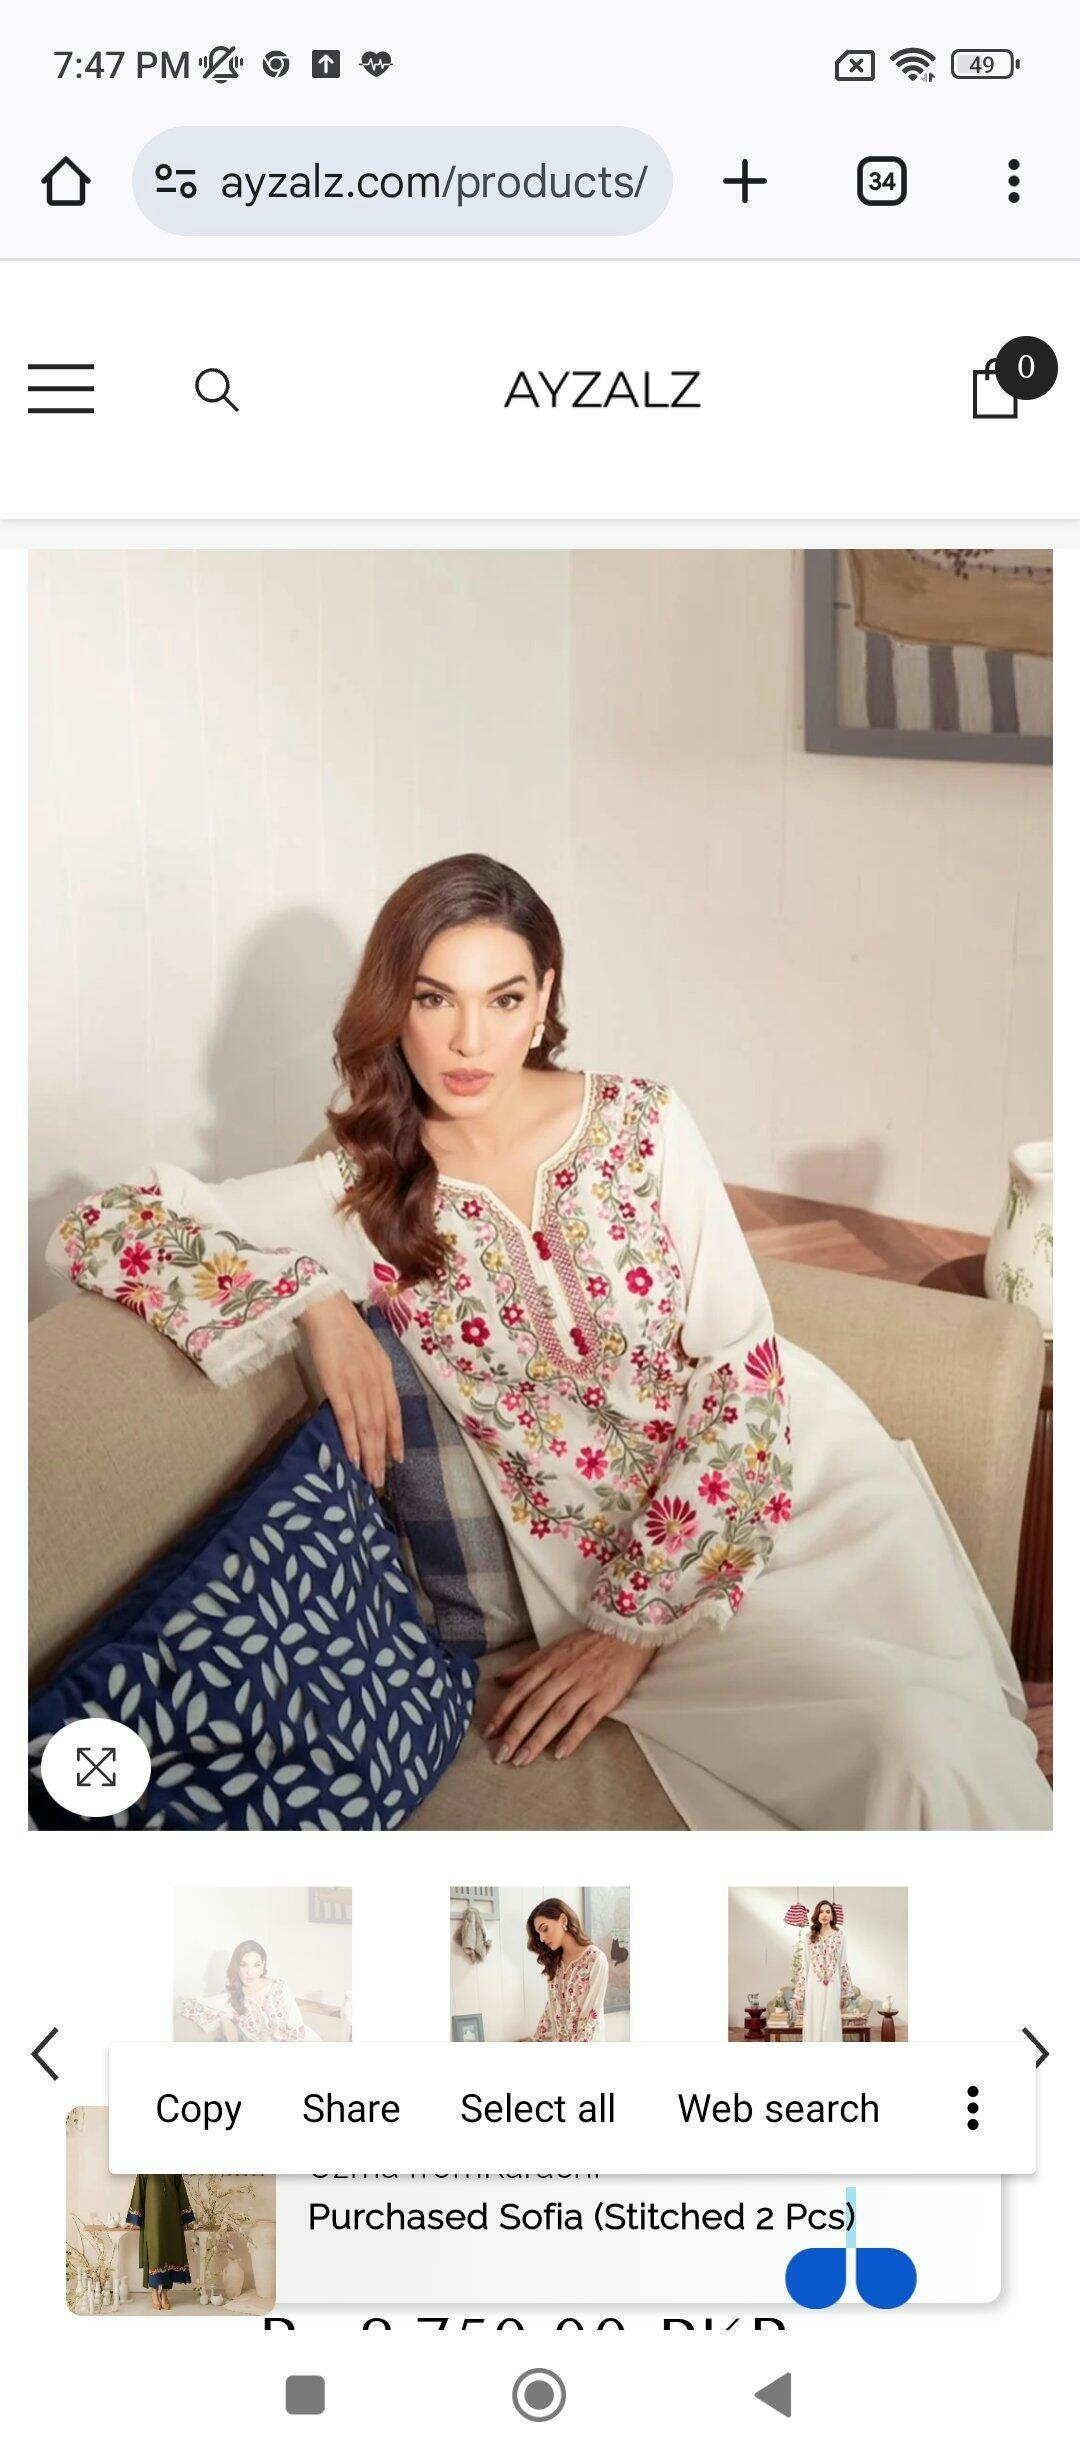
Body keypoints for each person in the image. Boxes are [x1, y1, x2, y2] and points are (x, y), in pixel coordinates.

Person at [48, 852, 1051, 1831]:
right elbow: (102, 1225)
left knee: (949, 1742)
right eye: (434, 999)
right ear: (394, 1005)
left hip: (783, 1483)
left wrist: (632, 1628)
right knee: (909, 1745)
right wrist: (313, 1301)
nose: (468, 1040)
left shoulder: (645, 1125)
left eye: (503, 998)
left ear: (544, 997)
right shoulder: (361, 1191)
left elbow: (742, 1368)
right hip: (592, 1573)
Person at [176, 1937, 315, 2042]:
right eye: (244, 1965)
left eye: (256, 1965)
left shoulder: (280, 1987)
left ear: (263, 1966)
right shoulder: (231, 1997)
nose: (250, 1972)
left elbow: (298, 2031)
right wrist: (223, 2020)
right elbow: (186, 2005)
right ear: (237, 1966)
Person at [526, 1899, 609, 2041]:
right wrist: (536, 2040)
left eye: (544, 1929)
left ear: (563, 1920)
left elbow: (591, 2017)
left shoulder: (595, 1959)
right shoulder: (555, 1962)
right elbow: (552, 2008)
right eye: (538, 1933)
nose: (542, 1938)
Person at [125, 2175, 195, 2311]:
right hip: (152, 2218)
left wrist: (185, 2218)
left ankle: (164, 2293)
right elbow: (139, 2191)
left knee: (171, 2252)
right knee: (154, 2252)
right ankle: (154, 2292)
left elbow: (181, 2192)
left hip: (172, 2217)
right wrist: (135, 2219)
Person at [793, 1901, 853, 2043]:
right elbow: (805, 1966)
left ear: (832, 1916)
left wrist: (844, 1994)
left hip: (833, 1986)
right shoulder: (809, 1937)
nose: (824, 1915)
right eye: (821, 1911)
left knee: (830, 2025)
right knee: (814, 2022)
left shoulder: (840, 1936)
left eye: (828, 1912)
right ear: (817, 1915)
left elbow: (843, 1964)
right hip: (813, 1987)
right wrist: (799, 1994)